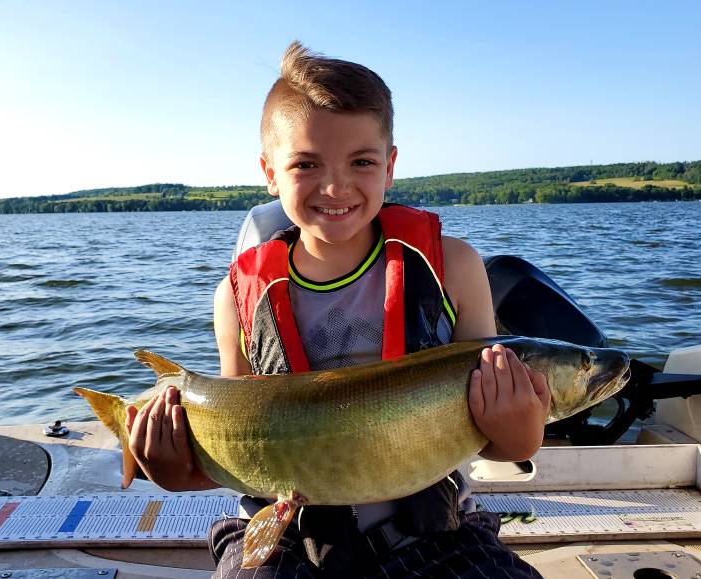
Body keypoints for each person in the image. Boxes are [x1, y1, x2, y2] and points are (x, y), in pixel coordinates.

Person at [126, 41, 550, 578]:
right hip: (284, 533)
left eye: (362, 162)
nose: (335, 185)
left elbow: (502, 442)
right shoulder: (236, 298)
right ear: (270, 173)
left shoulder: (454, 268)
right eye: (306, 164)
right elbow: (241, 454)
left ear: (390, 166)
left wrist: (521, 428)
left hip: (433, 529)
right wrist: (175, 470)